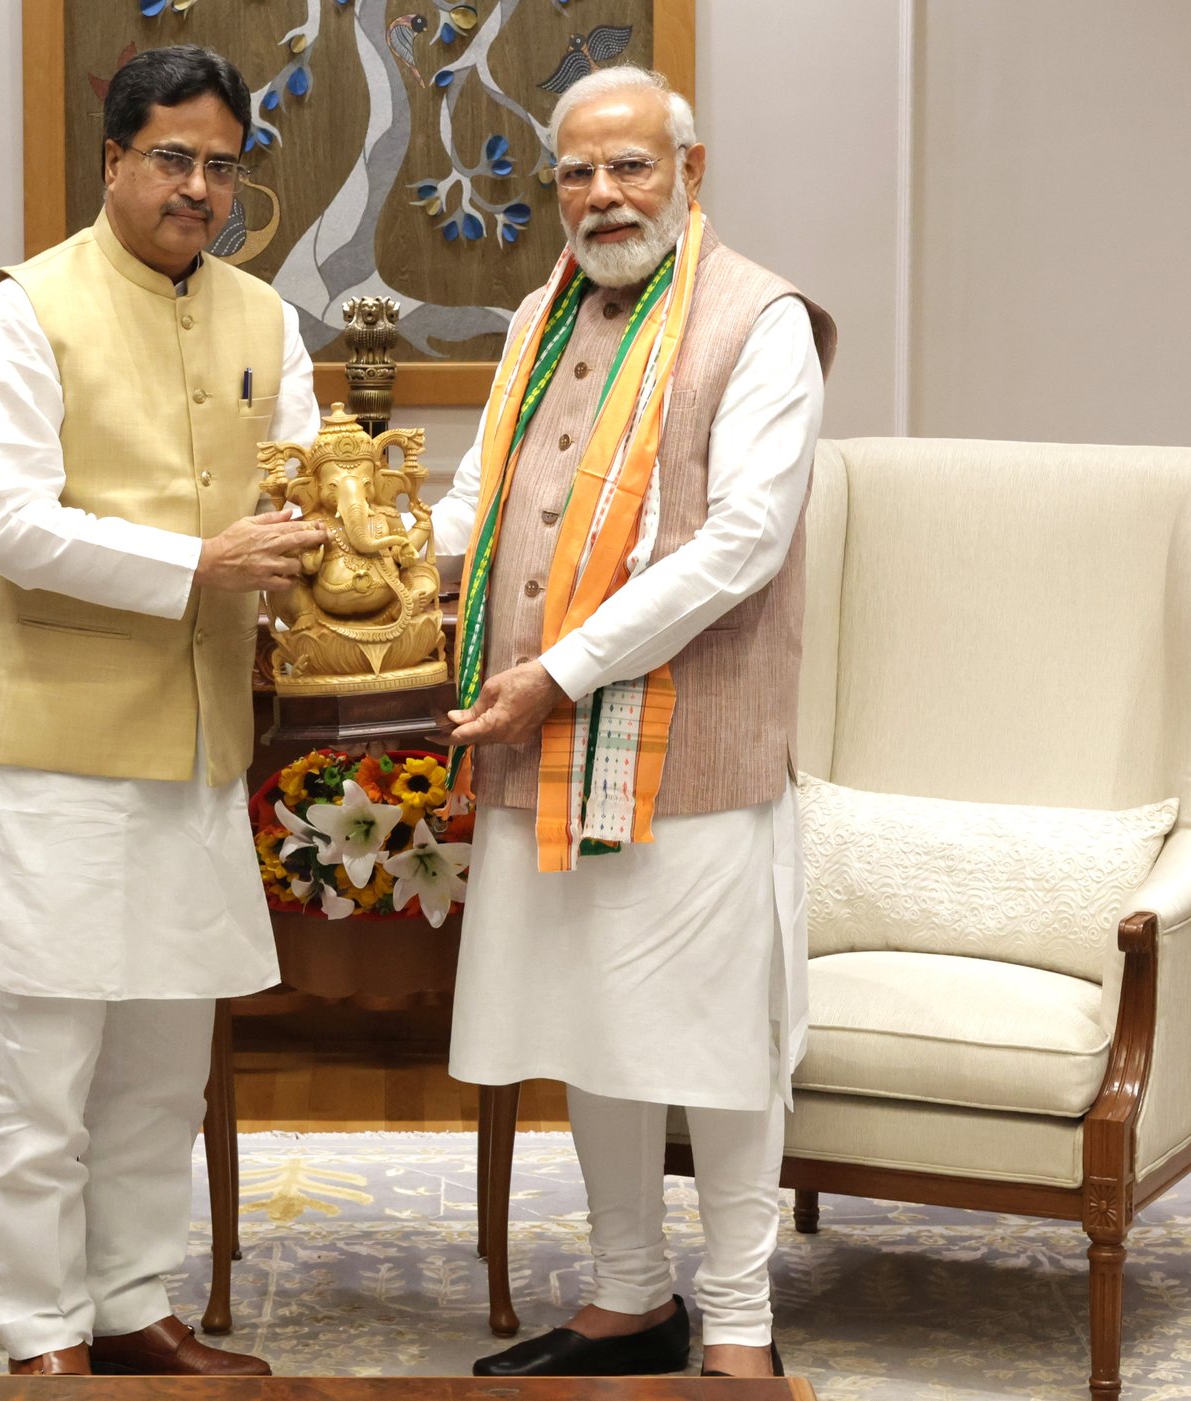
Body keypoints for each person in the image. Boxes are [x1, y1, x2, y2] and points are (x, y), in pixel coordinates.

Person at [432, 65, 836, 1380]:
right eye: (577, 172)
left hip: (694, 755)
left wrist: (562, 672)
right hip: (545, 746)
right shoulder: (539, 315)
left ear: (690, 172)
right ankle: (626, 1296)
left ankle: (740, 1329)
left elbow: (741, 545)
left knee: (715, 1046)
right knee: (591, 1022)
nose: (603, 195)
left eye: (631, 166)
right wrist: (365, 572)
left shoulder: (761, 321)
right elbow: (481, 501)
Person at [0, 43, 323, 1378]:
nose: (199, 188)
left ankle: (133, 1304)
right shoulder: (21, 311)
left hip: (199, 748)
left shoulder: (266, 319)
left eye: (223, 165)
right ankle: (42, 1331)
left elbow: (301, 492)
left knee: (162, 1067)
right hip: (58, 749)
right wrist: (199, 563)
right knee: (48, 1079)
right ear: (112, 161)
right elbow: (7, 520)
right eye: (172, 158)